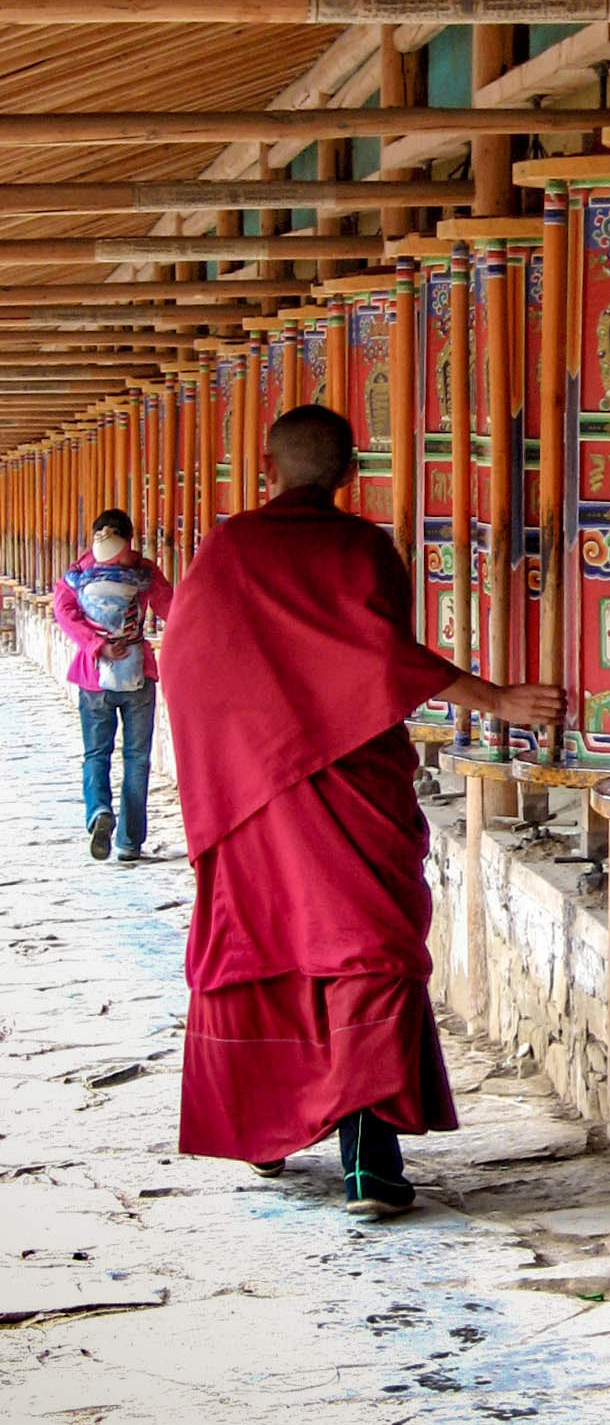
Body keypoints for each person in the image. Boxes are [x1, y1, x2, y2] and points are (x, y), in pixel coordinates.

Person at [161, 405, 562, 1219]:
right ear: (351, 470)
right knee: (366, 953)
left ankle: (265, 1128)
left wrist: (232, 764)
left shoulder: (225, 551)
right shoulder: (361, 549)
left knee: (265, 944)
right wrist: (495, 700)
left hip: (252, 798)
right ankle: (367, 1161)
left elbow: (187, 665)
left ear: (267, 463)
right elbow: (377, 657)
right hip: (344, 786)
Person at [53, 507, 173, 864]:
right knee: (136, 759)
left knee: (96, 754)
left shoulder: (78, 573)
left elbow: (63, 612)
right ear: (130, 538)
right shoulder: (142, 571)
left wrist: (97, 644)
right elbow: (172, 608)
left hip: (94, 677)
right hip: (136, 673)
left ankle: (99, 812)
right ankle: (129, 841)